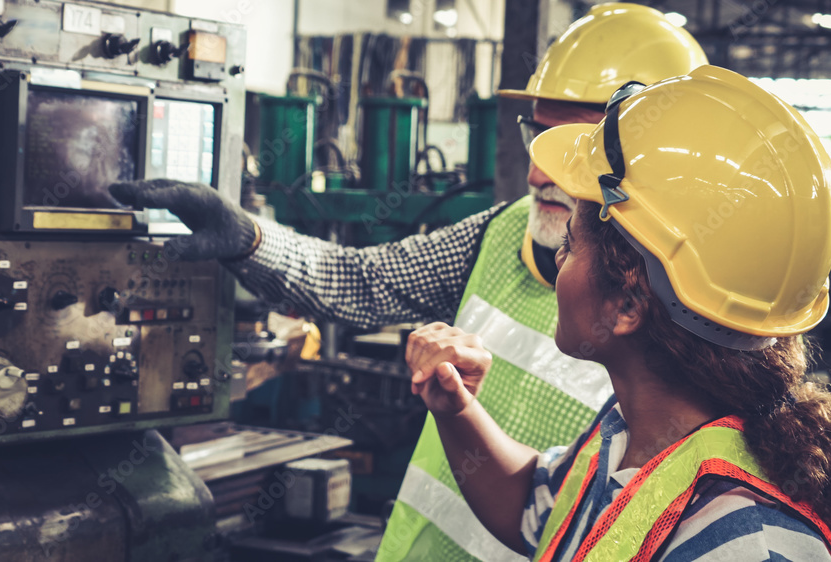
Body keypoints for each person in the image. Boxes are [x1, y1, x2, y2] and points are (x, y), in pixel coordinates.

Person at [108, 5, 709, 559]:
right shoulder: (498, 236)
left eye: (571, 148)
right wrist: (251, 238)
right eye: (536, 138)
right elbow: (358, 280)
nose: (533, 173)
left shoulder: (693, 324)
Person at [407, 65, 831, 560]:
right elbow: (540, 512)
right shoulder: (634, 435)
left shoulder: (744, 544)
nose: (556, 258)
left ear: (627, 303)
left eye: (570, 245)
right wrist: (457, 412)